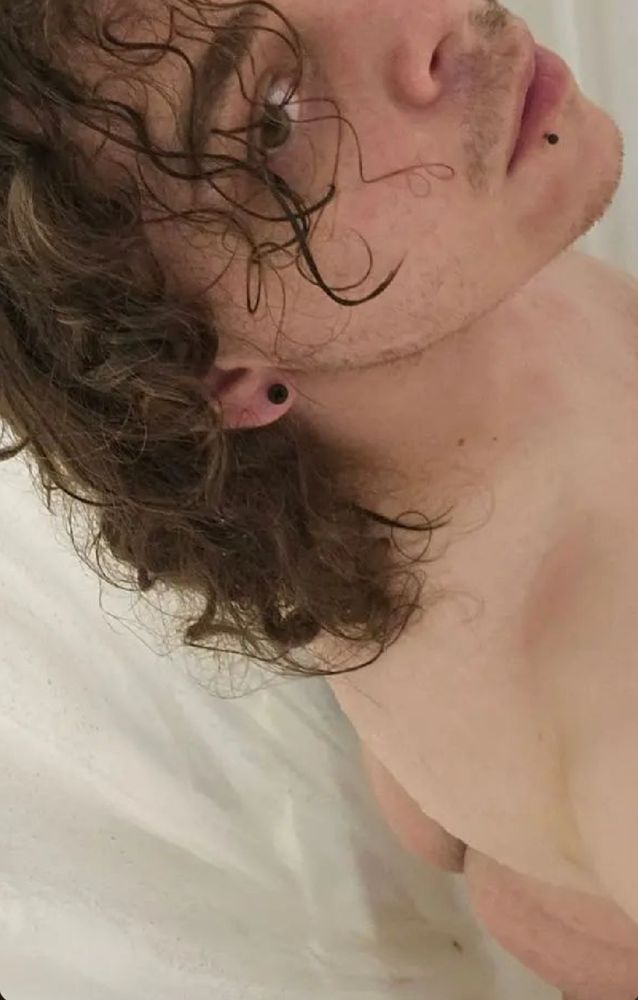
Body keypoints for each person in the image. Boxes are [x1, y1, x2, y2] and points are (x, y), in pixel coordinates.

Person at [0, 0, 635, 997]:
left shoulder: (424, 327)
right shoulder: (606, 670)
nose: (429, 21)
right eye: (274, 119)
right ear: (207, 370)